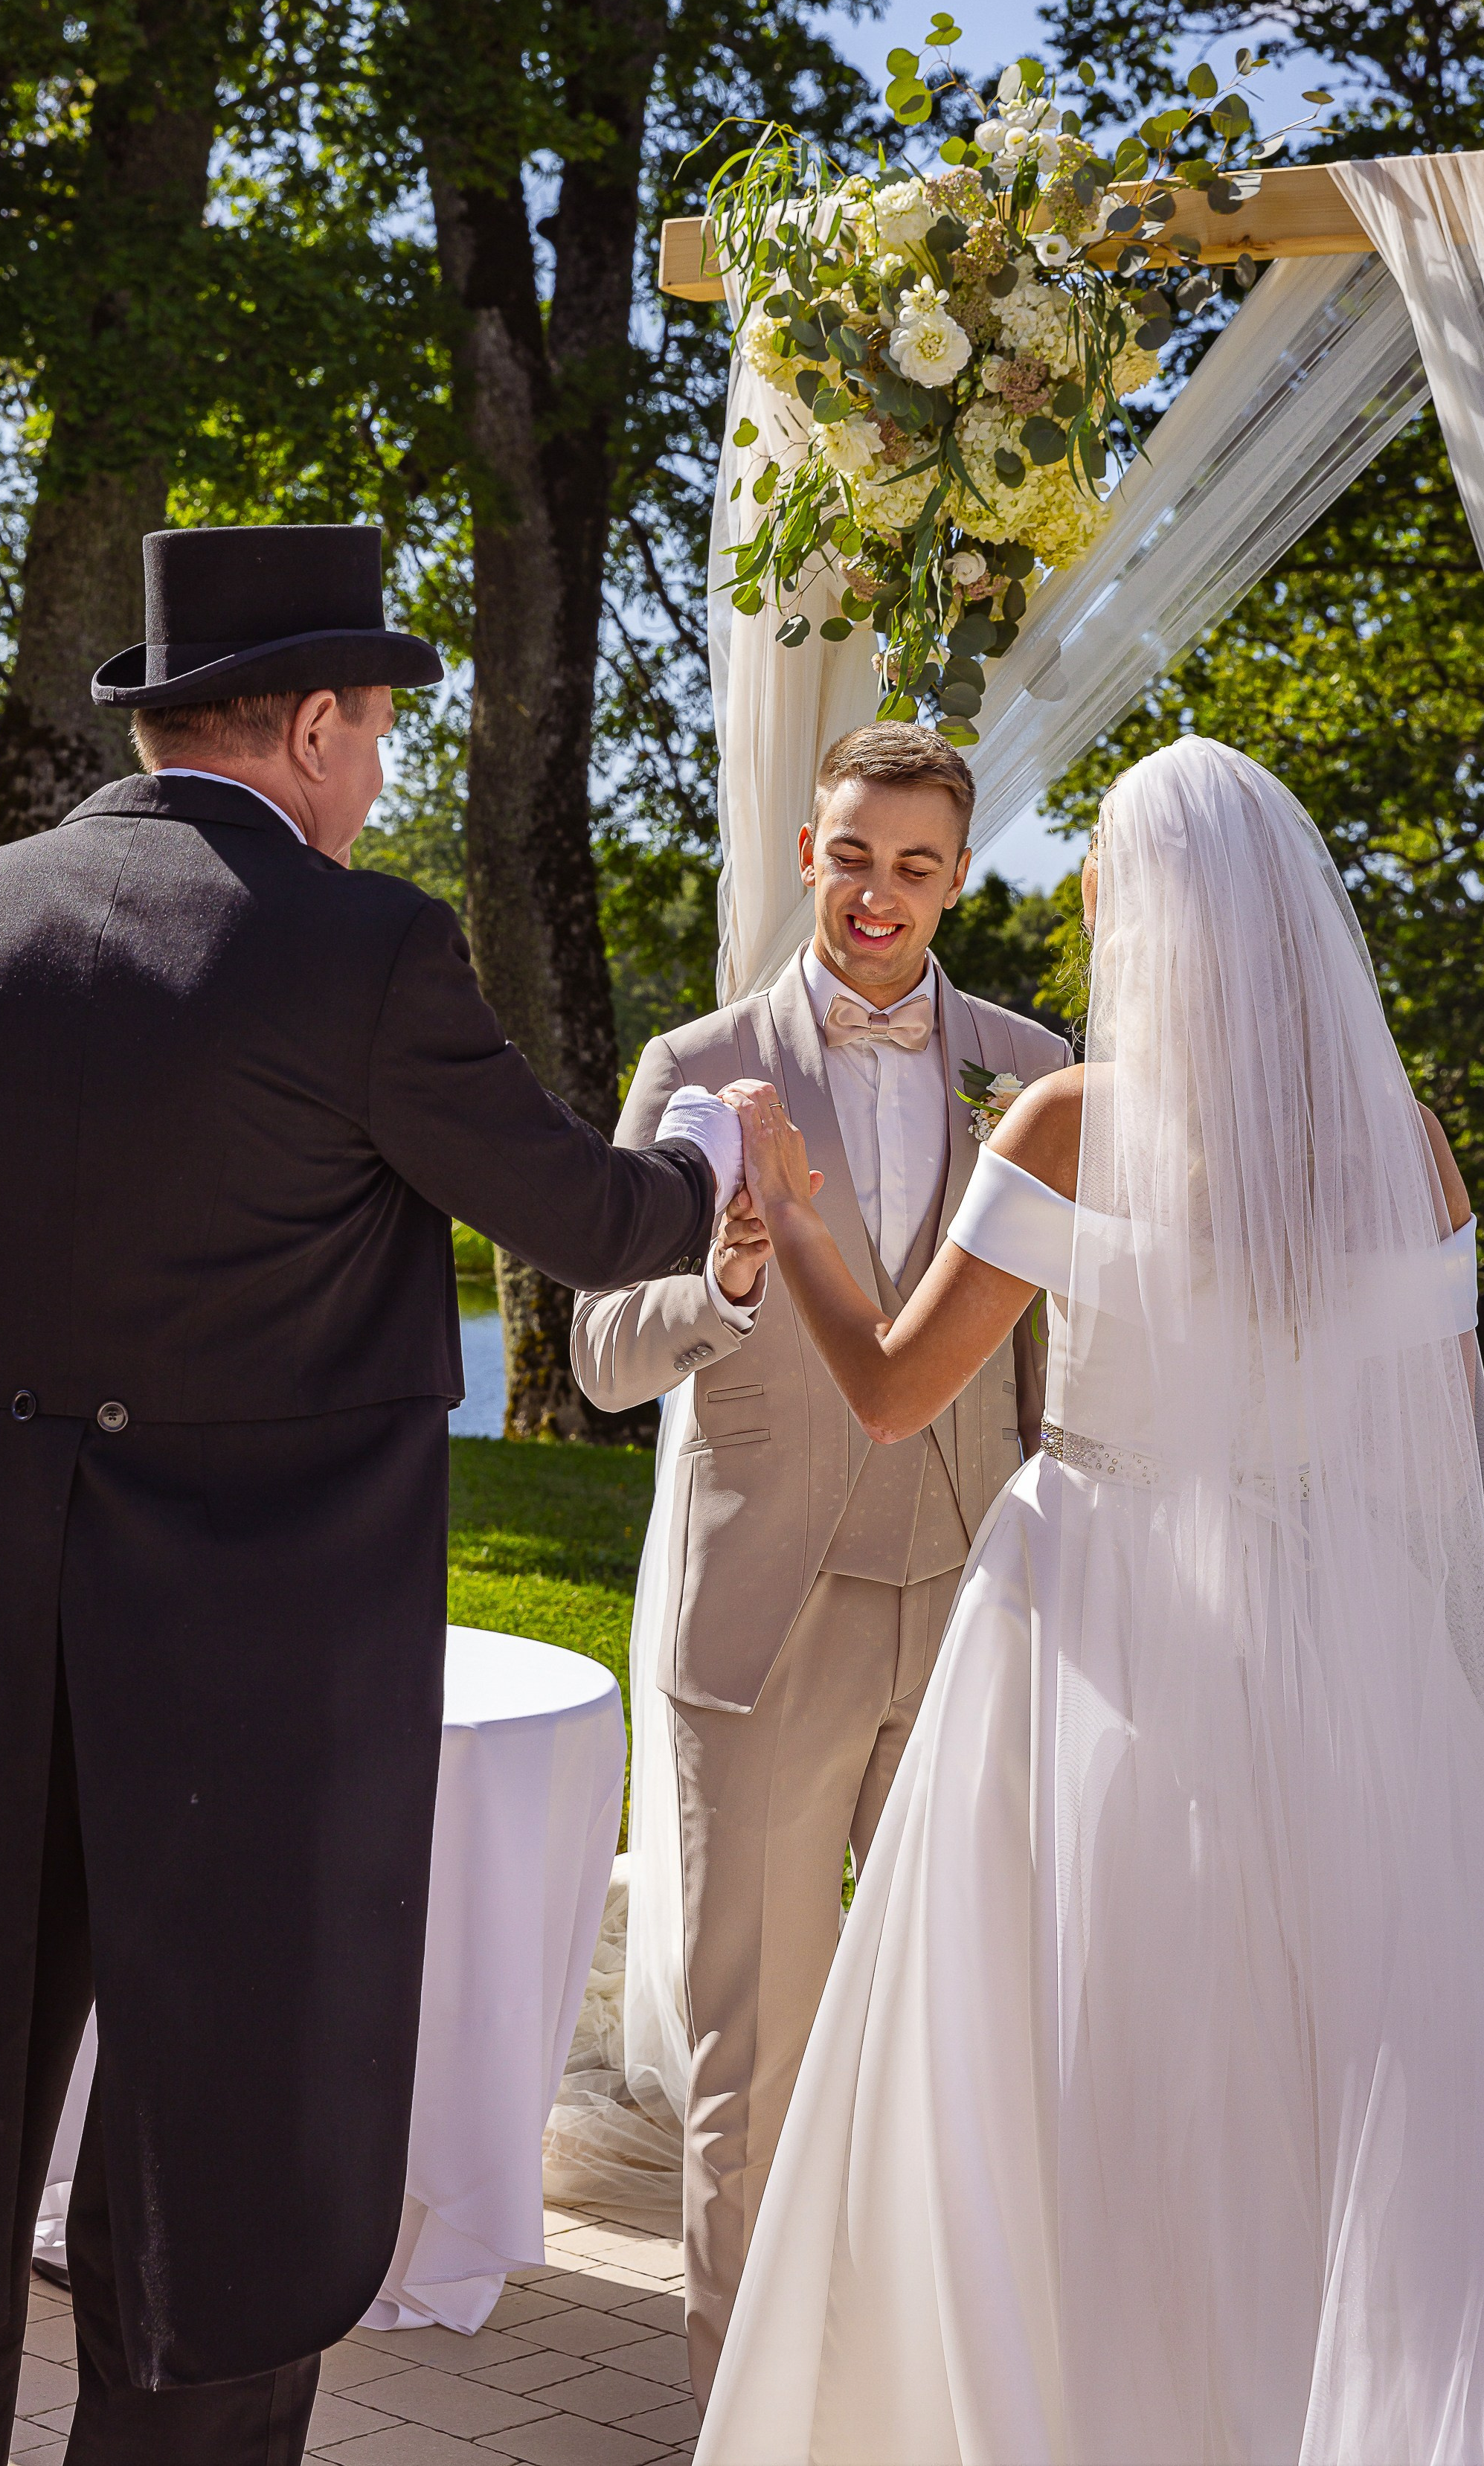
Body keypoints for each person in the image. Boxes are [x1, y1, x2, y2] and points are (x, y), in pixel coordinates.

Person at [0, 524, 727, 2466]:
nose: (374, 777)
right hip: (252, 1665)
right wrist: (705, 1158)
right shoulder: (365, 946)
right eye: (371, 735)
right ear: (306, 722)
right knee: (231, 2153)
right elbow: (578, 1208)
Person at [700, 735, 1484, 2465]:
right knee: (1341, 2037)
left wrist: (798, 1219)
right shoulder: (1411, 1145)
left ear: (1150, 921)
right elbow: (1435, 1438)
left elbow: (899, 1390)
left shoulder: (1071, 1118)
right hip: (1327, 1615)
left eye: (1095, 904)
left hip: (1093, 1608)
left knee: (1071, 2042)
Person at [571, 722, 1068, 2405]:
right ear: (807, 852)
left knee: (974, 2042)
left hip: (978, 1610)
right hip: (763, 1629)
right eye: (853, 855)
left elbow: (1047, 1362)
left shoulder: (1030, 1060)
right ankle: (740, 2418)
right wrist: (714, 1286)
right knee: (756, 2065)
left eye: (916, 864)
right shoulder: (699, 1063)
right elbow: (597, 1355)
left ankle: (936, 2400)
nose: (879, 894)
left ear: (957, 874)